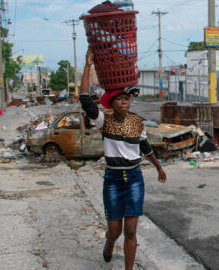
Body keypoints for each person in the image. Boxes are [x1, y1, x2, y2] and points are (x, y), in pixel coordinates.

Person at [79, 49, 167, 270]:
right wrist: (88, 66)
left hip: (135, 178)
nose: (123, 102)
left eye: (126, 99)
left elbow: (145, 146)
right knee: (115, 231)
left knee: (130, 231)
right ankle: (109, 244)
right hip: (113, 180)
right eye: (119, 99)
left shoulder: (138, 122)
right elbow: (85, 101)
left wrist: (158, 167)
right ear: (112, 103)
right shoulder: (103, 121)